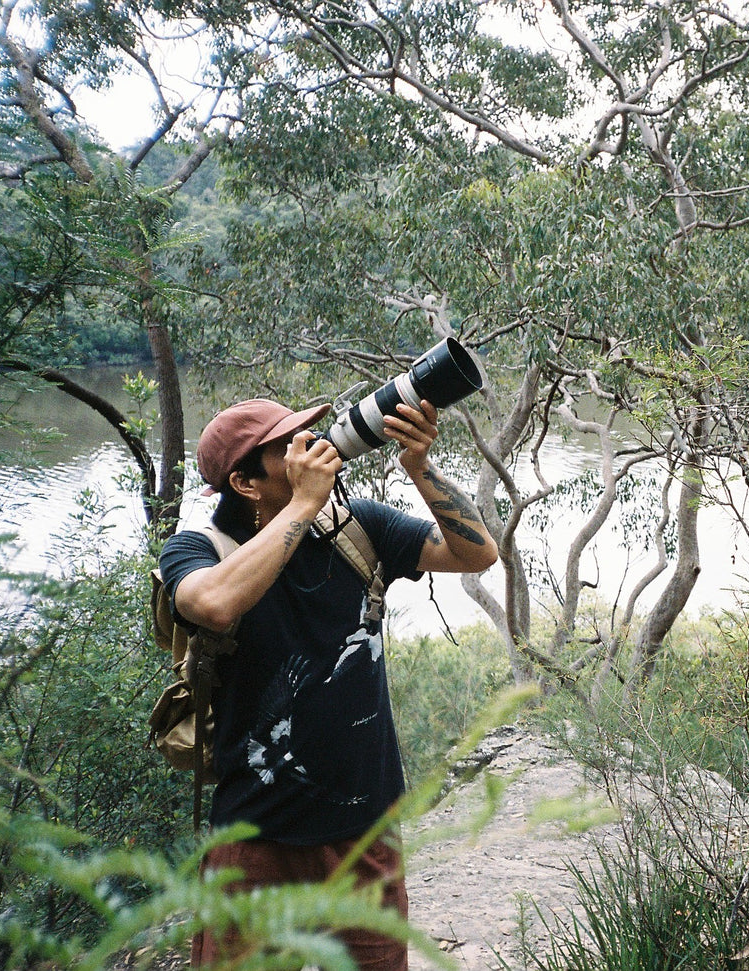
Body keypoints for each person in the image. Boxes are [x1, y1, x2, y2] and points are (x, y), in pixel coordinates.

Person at [158, 395, 497, 971]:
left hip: (364, 833)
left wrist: (420, 468)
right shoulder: (197, 551)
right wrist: (304, 503)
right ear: (245, 483)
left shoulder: (357, 528)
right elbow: (212, 604)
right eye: (287, 446)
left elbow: (475, 554)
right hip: (256, 838)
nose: (311, 449)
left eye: (308, 435)